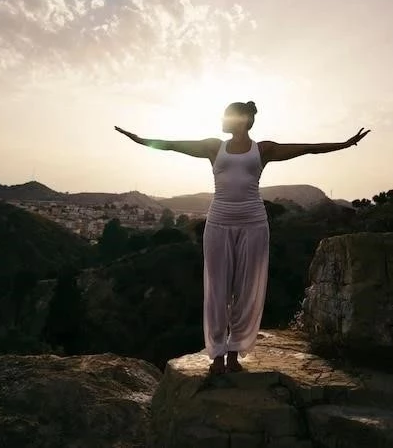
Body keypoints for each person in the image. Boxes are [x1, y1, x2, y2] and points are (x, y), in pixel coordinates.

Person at [114, 103, 370, 374]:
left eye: (227, 114)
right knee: (217, 288)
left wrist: (344, 144)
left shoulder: (263, 150)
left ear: (243, 119)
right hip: (219, 222)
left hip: (253, 223)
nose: (222, 119)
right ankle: (217, 355)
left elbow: (306, 148)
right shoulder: (214, 147)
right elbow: (171, 145)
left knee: (246, 288)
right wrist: (140, 140)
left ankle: (234, 352)